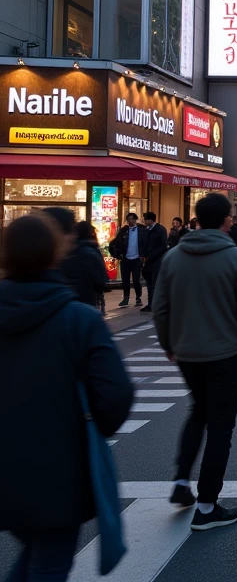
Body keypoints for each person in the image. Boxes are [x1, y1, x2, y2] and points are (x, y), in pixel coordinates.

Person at [0, 214, 134, 580]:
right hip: (60, 463)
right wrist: (92, 426)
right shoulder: (78, 319)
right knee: (50, 560)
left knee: (35, 553)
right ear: (56, 254)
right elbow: (117, 393)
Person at [152, 192, 237, 531]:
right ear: (227, 220)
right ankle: (207, 505)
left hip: (186, 351)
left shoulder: (173, 257)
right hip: (225, 352)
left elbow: (160, 308)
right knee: (220, 427)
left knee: (198, 411)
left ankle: (182, 481)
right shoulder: (235, 258)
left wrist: (169, 343)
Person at [53, 208, 107, 309]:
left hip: (68, 300)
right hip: (86, 300)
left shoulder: (66, 251)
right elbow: (101, 279)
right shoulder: (91, 251)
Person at [110, 211, 147, 307]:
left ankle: (138, 298)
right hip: (126, 258)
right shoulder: (124, 231)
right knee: (125, 279)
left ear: (135, 220)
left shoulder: (141, 230)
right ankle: (126, 298)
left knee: (136, 280)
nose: (130, 221)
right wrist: (117, 255)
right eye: (129, 219)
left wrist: (143, 256)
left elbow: (144, 243)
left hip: (136, 258)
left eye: (132, 219)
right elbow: (115, 243)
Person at [140, 211, 168, 312]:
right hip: (148, 261)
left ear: (150, 220)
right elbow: (144, 244)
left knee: (155, 283)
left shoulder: (160, 230)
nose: (144, 221)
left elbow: (163, 246)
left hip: (157, 260)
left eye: (145, 219)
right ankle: (150, 304)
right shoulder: (146, 230)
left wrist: (151, 256)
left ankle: (156, 304)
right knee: (149, 283)